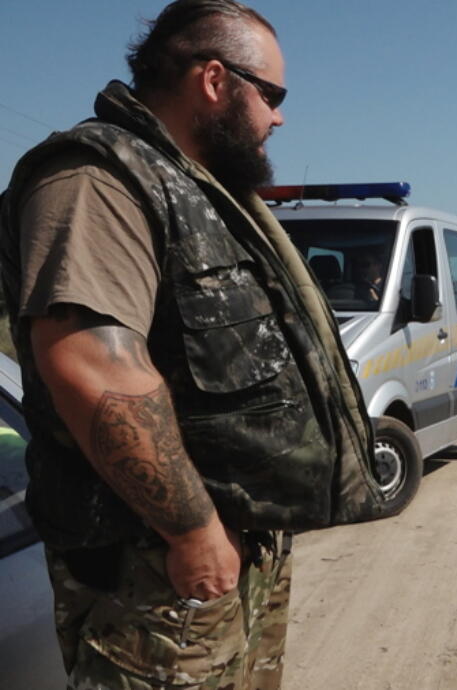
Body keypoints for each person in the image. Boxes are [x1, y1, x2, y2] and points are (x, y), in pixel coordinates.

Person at [0, 2, 392, 687]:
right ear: (214, 79)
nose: (279, 117)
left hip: (225, 552)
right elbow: (92, 363)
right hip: (156, 576)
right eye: (271, 94)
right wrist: (193, 531)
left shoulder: (201, 191)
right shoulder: (97, 178)